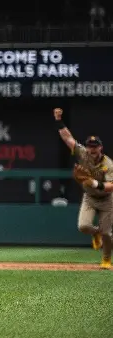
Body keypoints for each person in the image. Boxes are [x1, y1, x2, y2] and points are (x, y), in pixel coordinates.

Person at [53, 108, 112, 269]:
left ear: (101, 148)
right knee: (83, 226)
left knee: (107, 233)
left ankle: (106, 260)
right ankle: (95, 233)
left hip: (106, 199)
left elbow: (111, 186)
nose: (92, 149)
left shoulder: (107, 164)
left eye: (95, 146)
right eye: (90, 146)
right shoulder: (83, 153)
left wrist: (94, 183)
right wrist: (59, 120)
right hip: (90, 198)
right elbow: (68, 138)